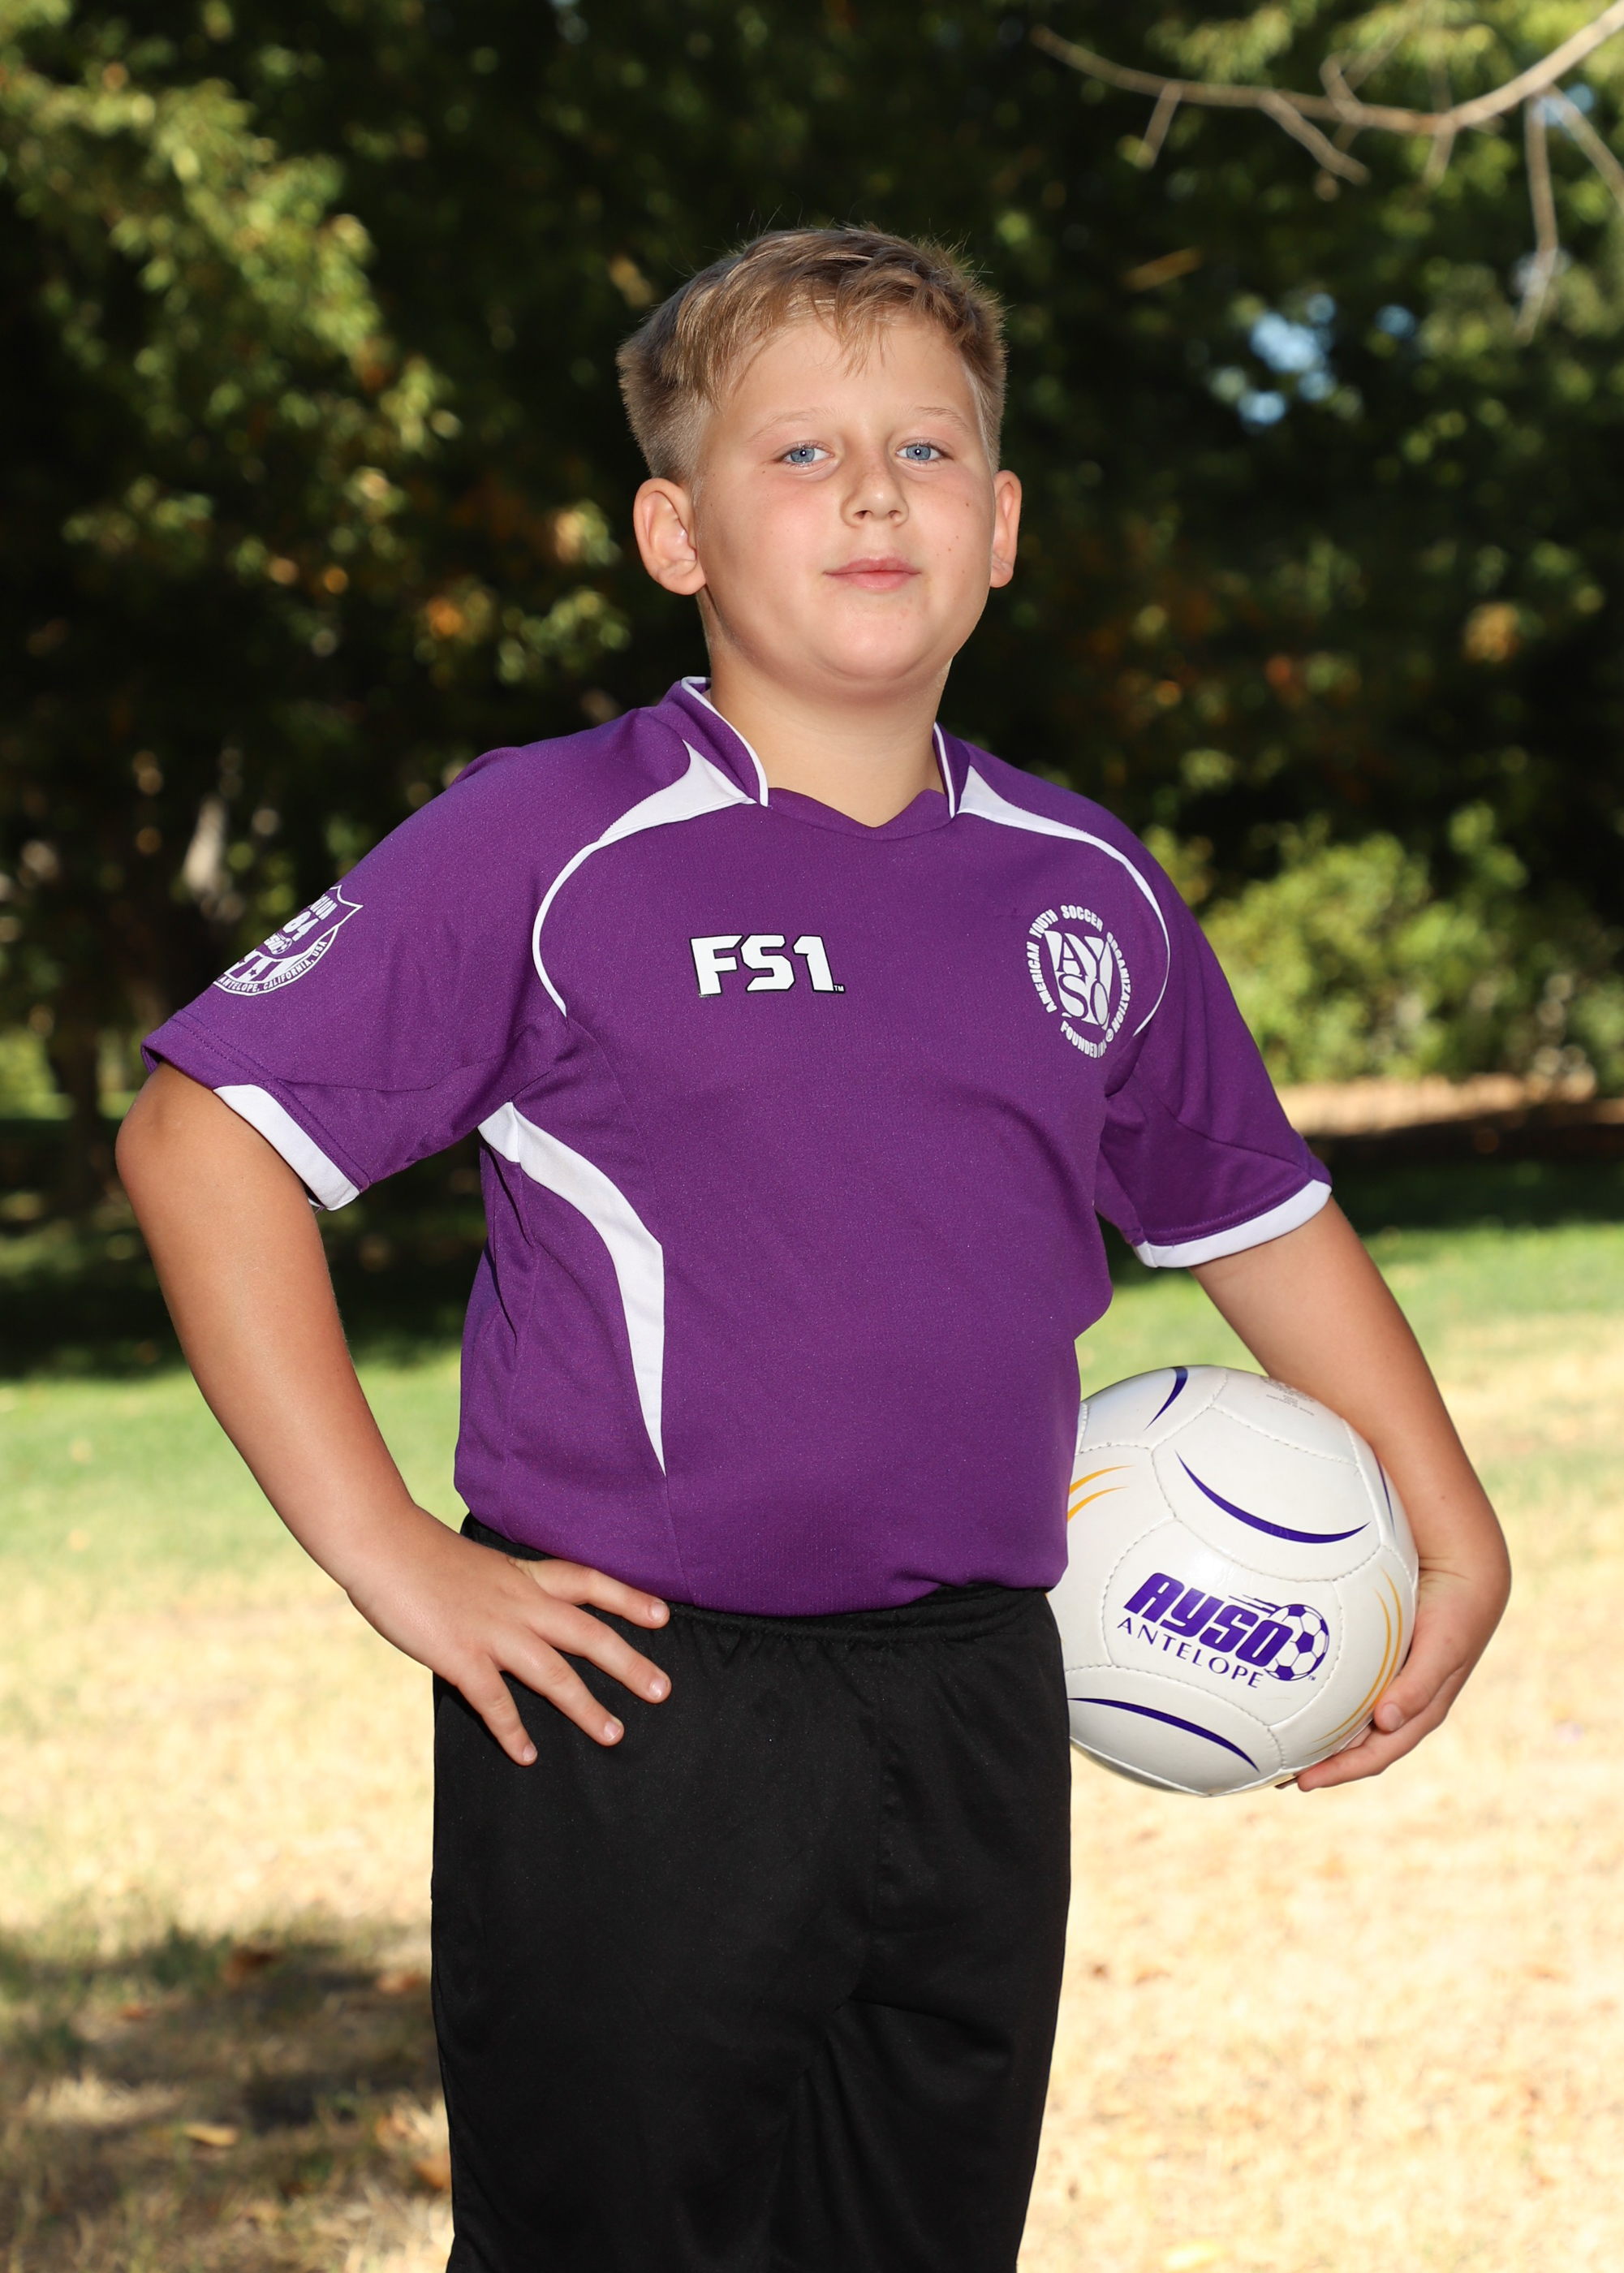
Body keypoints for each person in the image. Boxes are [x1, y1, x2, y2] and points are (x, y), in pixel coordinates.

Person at [117, 228, 1510, 2273]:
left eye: (925, 448)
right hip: (632, 1701)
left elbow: (1253, 1207)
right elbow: (199, 1140)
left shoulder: (1085, 886)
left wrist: (1450, 1524)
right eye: (799, 452)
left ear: (999, 528)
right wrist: (389, 1549)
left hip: (976, 1696)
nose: (872, 492)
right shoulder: (549, 840)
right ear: (671, 533)